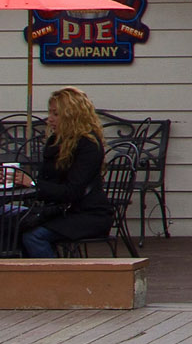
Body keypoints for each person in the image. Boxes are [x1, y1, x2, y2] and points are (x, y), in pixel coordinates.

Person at [12, 87, 115, 258]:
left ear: (72, 116)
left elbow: (72, 191)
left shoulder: (88, 145)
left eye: (56, 114)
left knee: (33, 236)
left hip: (88, 214)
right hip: (60, 210)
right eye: (50, 113)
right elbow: (48, 181)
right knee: (11, 227)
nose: (49, 119)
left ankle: (55, 279)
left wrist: (31, 184)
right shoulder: (55, 141)